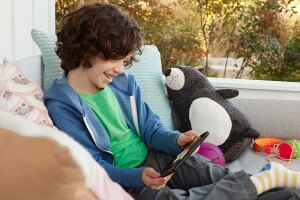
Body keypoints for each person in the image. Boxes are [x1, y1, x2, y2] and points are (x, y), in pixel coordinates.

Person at [44, 3, 300, 200]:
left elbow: (151, 130)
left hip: (158, 155)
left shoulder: (123, 84)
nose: (121, 70)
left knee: (214, 176)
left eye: (125, 62)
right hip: (128, 177)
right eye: (116, 60)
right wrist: (138, 176)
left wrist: (176, 140)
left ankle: (278, 188)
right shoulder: (62, 103)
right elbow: (92, 165)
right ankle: (270, 183)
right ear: (87, 49)